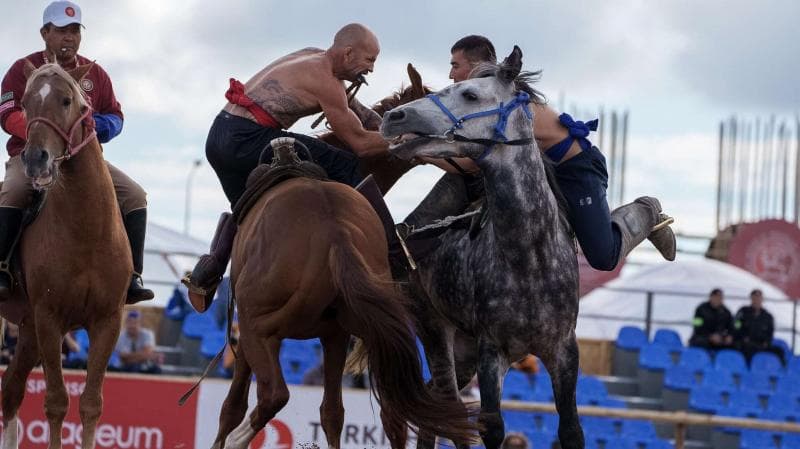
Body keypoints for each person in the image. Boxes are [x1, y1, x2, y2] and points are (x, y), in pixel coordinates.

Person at [401, 35, 676, 272]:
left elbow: (468, 163)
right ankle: (408, 243)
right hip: (540, 172)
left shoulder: (510, 105)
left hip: (575, 171)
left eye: (455, 65)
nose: (451, 75)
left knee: (603, 257)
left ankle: (646, 210)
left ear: (474, 65)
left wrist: (419, 152)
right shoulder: (483, 105)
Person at [183, 23, 398, 311]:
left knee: (247, 208)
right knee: (344, 162)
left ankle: (210, 269)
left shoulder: (312, 55)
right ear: (348, 54)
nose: (371, 69)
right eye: (370, 60)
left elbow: (356, 111)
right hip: (248, 137)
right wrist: (406, 141)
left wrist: (388, 125)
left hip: (219, 135)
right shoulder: (327, 83)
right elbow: (360, 143)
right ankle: (394, 254)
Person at [0, 1, 153, 304]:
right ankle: (2, 267)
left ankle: (133, 276)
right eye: (60, 30)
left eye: (74, 31)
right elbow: (6, 113)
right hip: (30, 155)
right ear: (45, 33)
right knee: (15, 190)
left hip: (84, 161)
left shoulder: (94, 75)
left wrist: (97, 126)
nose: (68, 37)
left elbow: (116, 115)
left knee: (135, 195)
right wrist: (40, 136)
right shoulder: (22, 69)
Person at [734, 289, 785, 363]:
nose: (757, 300)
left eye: (759, 298)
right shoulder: (743, 312)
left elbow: (770, 332)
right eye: (755, 297)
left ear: (762, 299)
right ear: (751, 298)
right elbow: (736, 326)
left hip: (761, 345)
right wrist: (742, 337)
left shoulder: (767, 316)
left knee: (779, 351)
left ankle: (782, 372)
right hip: (745, 344)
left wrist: (766, 342)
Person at [115, 309, 162, 374]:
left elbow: (147, 354)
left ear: (140, 323)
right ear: (126, 323)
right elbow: (122, 357)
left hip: (145, 366)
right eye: (130, 322)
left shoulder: (148, 334)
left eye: (135, 322)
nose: (132, 325)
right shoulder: (120, 336)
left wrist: (130, 356)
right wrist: (143, 355)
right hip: (126, 367)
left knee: (157, 370)